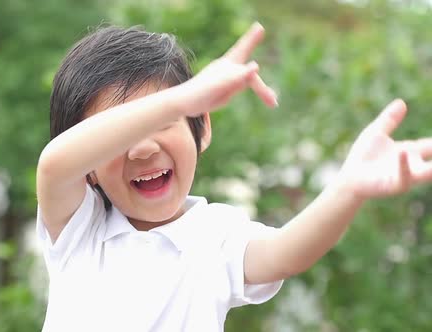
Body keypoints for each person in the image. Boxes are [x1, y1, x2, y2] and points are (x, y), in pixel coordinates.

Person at [36, 22, 432, 331]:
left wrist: (350, 188)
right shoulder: (78, 231)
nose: (142, 148)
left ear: (202, 126)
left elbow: (285, 253)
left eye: (165, 121)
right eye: (118, 133)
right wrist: (176, 101)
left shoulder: (215, 236)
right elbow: (56, 163)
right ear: (88, 167)